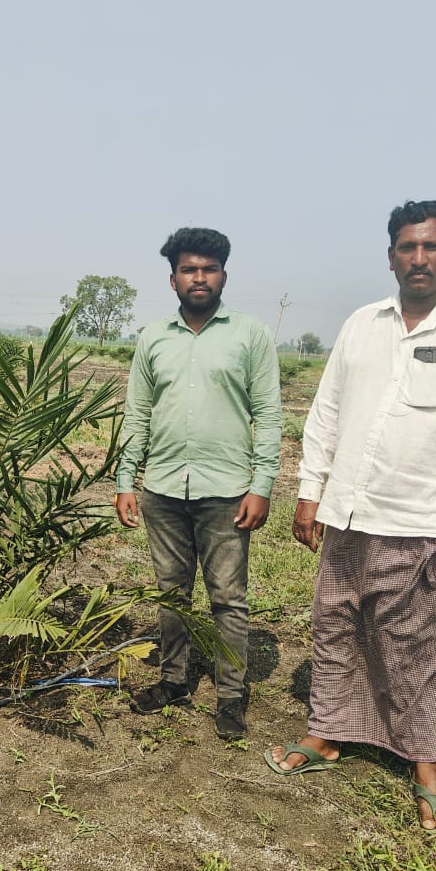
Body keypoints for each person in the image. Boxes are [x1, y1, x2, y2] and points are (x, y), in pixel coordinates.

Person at [265, 200, 436, 836]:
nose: (419, 258)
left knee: (421, 646)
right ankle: (328, 734)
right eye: (407, 248)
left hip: (429, 519)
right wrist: (311, 489)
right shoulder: (362, 324)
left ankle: (426, 764)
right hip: (352, 514)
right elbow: (327, 411)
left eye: (431, 247)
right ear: (390, 255)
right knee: (337, 629)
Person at [116, 227, 282, 740]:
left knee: (228, 598)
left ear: (224, 276)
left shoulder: (250, 335)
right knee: (171, 594)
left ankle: (231, 696)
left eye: (209, 269)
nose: (199, 277)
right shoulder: (153, 339)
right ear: (173, 280)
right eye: (189, 269)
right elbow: (137, 414)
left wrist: (263, 485)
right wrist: (127, 479)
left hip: (227, 490)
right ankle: (173, 680)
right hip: (163, 487)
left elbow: (270, 415)